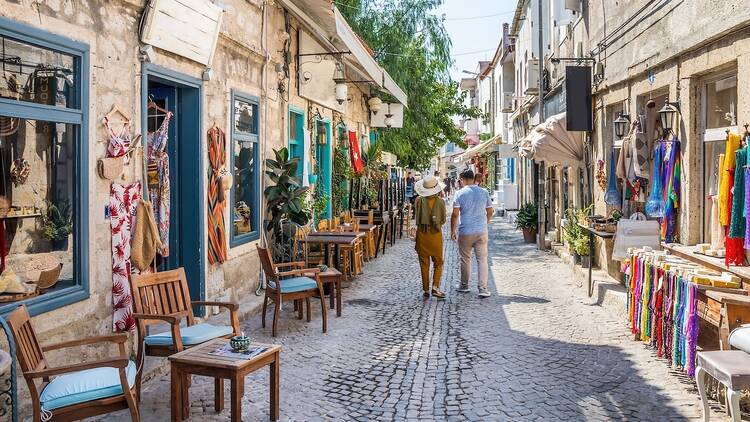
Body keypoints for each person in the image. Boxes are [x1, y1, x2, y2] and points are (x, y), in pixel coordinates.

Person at [451, 169, 494, 298]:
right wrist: (485, 223)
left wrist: (453, 230)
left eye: (461, 180)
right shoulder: (484, 192)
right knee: (482, 259)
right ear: (473, 178)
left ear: (463, 179)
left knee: (465, 259)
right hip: (481, 231)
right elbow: (490, 211)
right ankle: (483, 288)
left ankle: (464, 285)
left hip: (465, 231)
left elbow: (454, 215)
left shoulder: (459, 193)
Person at [414, 175, 447, 299]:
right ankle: (435, 287)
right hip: (435, 235)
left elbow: (416, 217)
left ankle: (426, 289)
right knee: (438, 262)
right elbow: (443, 220)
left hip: (422, 235)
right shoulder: (440, 201)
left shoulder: (418, 200)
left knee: (424, 263)